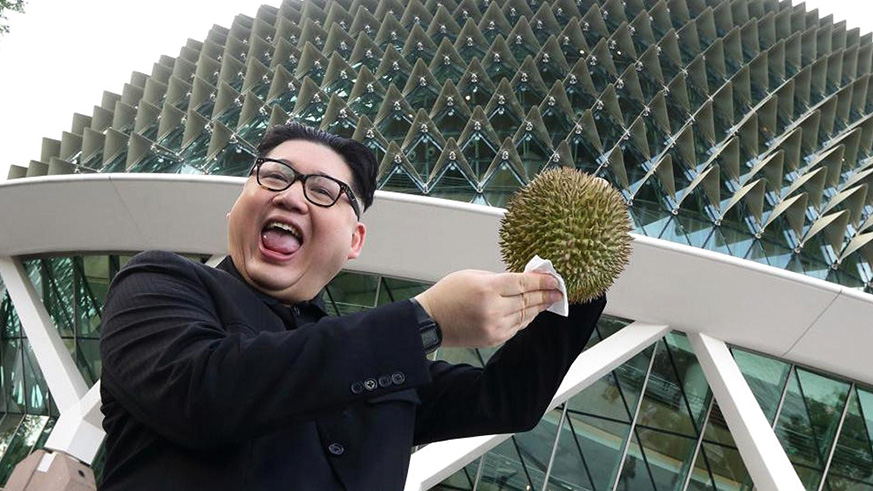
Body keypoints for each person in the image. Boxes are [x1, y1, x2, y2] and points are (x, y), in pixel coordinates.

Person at [98, 123, 607, 490]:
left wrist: (570, 281)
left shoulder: (383, 369)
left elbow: (506, 401)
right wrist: (423, 322)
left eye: (323, 191)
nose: (291, 197)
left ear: (355, 241)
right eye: (274, 176)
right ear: (237, 205)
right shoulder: (160, 283)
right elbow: (202, 392)